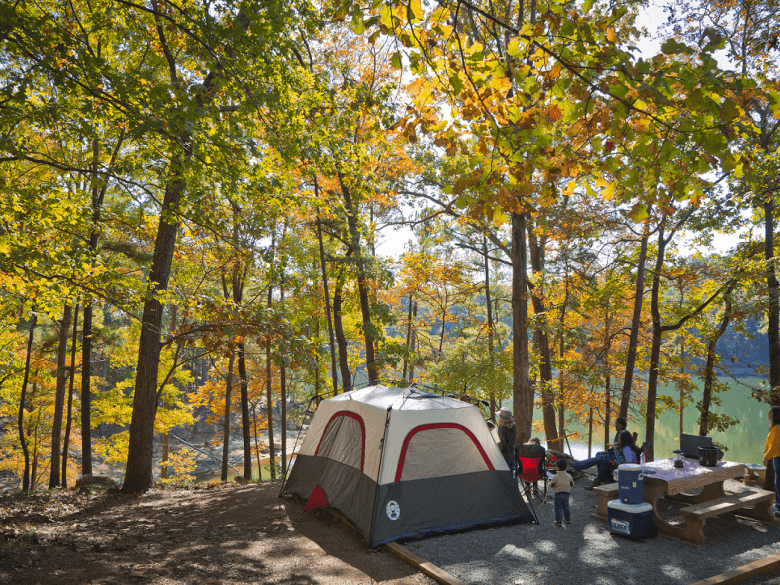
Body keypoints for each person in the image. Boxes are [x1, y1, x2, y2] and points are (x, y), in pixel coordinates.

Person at [570, 417, 631, 489]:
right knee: (598, 454)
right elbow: (616, 447)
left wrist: (609, 452)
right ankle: (603, 477)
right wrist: (608, 451)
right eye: (616, 423)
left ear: (623, 425)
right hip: (614, 454)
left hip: (616, 457)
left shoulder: (623, 434)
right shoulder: (620, 433)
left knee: (599, 458)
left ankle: (577, 465)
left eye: (618, 424)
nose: (616, 425)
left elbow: (620, 449)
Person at [763, 405, 780, 517]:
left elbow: (774, 446)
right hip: (776, 456)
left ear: (775, 415)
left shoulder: (777, 428)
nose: (768, 415)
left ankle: (778, 508)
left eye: (770, 413)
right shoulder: (775, 427)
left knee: (778, 483)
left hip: (777, 457)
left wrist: (766, 457)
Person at [549, 459, 573, 527]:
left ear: (558, 467)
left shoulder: (555, 476)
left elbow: (551, 485)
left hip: (558, 493)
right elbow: (572, 484)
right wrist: (568, 488)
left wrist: (550, 484)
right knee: (566, 506)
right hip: (566, 493)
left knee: (558, 507)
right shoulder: (569, 476)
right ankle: (567, 519)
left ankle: (558, 521)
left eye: (556, 466)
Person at [496, 407, 517, 472]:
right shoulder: (513, 427)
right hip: (512, 455)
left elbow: (503, 444)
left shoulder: (502, 429)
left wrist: (496, 446)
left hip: (505, 456)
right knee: (511, 476)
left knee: (506, 476)